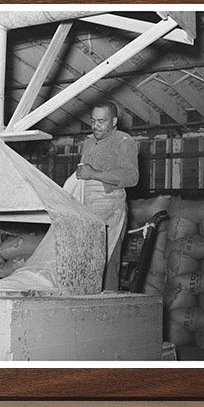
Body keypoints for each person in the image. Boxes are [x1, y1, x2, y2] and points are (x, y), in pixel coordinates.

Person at [75, 101, 139, 291]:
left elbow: (131, 177)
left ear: (114, 121)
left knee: (108, 261)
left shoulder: (124, 141)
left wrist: (94, 174)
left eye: (101, 121)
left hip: (111, 211)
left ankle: (107, 302)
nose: (96, 126)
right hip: (87, 208)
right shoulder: (88, 142)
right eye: (93, 121)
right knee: (85, 260)